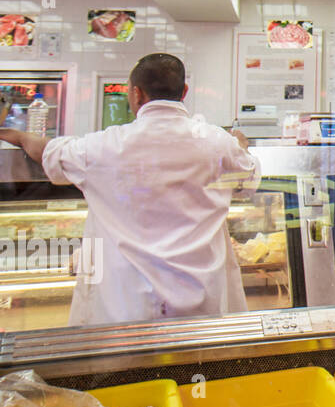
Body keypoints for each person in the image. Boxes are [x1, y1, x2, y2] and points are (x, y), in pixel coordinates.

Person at [0, 53, 259, 326]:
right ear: (184, 92)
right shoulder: (218, 142)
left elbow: (45, 151)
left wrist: (13, 134)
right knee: (198, 368)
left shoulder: (104, 146)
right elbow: (248, 181)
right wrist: (240, 145)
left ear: (136, 94)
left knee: (131, 368)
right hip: (204, 309)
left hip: (126, 313)